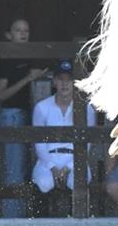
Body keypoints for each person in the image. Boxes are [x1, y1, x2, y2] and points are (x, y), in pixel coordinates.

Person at [0, 17, 48, 217]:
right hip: (13, 116)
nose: (23, 33)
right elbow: (2, 95)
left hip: (29, 115)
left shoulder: (28, 57)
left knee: (27, 167)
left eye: (26, 30)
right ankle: (12, 220)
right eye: (18, 30)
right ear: (8, 35)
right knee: (14, 171)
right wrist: (28, 78)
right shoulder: (6, 59)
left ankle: (23, 216)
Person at [30, 60, 96, 214]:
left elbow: (88, 143)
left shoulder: (87, 108)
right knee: (43, 183)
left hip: (76, 158)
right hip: (48, 159)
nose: (65, 84)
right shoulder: (42, 107)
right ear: (54, 81)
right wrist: (52, 167)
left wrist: (69, 167)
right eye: (60, 79)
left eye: (69, 80)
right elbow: (38, 143)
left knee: (78, 182)